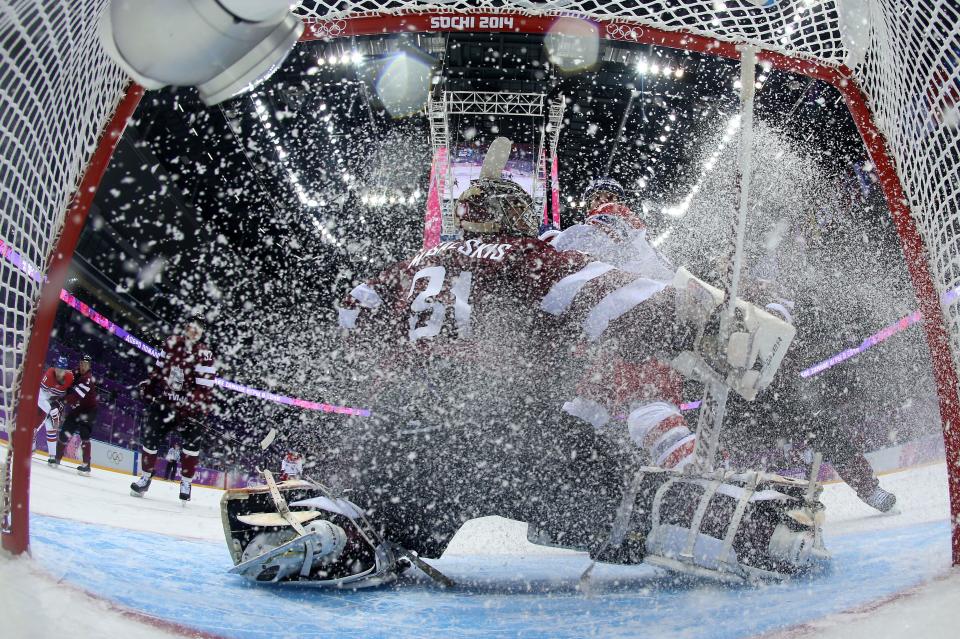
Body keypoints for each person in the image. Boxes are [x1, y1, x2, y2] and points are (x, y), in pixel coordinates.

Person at [130, 316, 216, 502]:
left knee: (191, 447)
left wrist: (190, 406)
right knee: (150, 438)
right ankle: (145, 478)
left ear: (201, 333)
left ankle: (186, 482)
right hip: (166, 403)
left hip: (190, 411)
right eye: (192, 326)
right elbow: (159, 369)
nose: (194, 330)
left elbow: (205, 389)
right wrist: (150, 385)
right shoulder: (171, 343)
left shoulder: (205, 354)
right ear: (186, 327)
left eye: (198, 328)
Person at [51, 354, 97, 475]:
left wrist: (60, 400)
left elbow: (74, 397)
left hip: (89, 410)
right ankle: (56, 459)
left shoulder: (87, 379)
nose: (83, 366)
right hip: (77, 409)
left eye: (85, 364)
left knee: (84, 433)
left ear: (89, 366)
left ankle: (86, 465)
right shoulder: (74, 372)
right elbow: (63, 379)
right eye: (81, 363)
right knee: (64, 432)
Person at [35, 355, 74, 461]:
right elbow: (40, 395)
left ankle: (52, 456)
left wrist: (59, 404)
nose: (58, 371)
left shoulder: (70, 377)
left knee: (52, 428)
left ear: (65, 370)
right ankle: (31, 446)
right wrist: (50, 409)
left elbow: (70, 393)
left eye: (61, 369)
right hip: (43, 402)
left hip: (56, 402)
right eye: (57, 368)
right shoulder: (49, 374)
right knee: (35, 425)